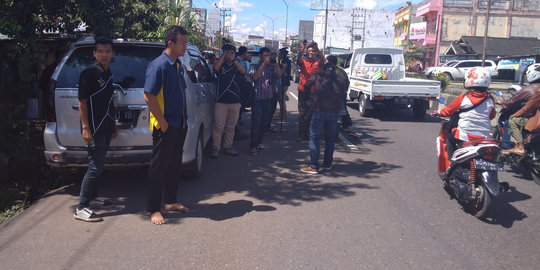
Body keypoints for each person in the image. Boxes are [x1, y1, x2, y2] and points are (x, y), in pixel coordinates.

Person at [144, 25, 190, 225]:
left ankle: (170, 201)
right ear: (170, 43)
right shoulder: (159, 65)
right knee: (159, 168)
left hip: (179, 124)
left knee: (174, 165)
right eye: (183, 42)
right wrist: (162, 122)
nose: (185, 46)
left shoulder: (177, 64)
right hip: (166, 126)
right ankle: (153, 209)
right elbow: (148, 95)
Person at [74, 37, 117, 222]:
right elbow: (82, 102)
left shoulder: (108, 73)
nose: (104, 55)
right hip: (93, 128)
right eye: (100, 51)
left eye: (107, 51)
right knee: (94, 166)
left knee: (99, 165)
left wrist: (113, 125)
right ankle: (81, 207)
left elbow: (109, 102)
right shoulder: (89, 74)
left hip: (105, 126)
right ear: (94, 53)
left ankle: (93, 198)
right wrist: (85, 128)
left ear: (112, 54)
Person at [432, 67, 496, 168]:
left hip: (465, 135)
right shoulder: (490, 99)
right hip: (484, 137)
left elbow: (448, 111)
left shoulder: (464, 98)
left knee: (449, 138)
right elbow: (492, 116)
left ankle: (452, 163)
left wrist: (439, 112)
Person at [300, 62, 348, 174]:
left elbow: (307, 84)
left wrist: (308, 98)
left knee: (314, 138)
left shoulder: (318, 76)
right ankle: (327, 164)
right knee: (330, 139)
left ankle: (314, 166)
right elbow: (344, 92)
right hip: (334, 112)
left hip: (319, 110)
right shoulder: (340, 80)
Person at [210, 43, 246, 159]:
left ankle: (228, 146)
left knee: (231, 126)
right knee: (219, 126)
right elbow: (215, 69)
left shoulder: (236, 65)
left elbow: (243, 71)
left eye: (233, 53)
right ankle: (215, 148)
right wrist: (224, 55)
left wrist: (234, 60)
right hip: (221, 101)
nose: (232, 55)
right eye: (230, 52)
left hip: (235, 101)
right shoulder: (221, 66)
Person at [500, 63, 540, 155]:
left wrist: (518, 113)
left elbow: (530, 105)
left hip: (536, 119)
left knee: (512, 121)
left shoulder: (529, 88)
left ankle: (516, 147)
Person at [249, 47, 281, 155]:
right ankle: (253, 146)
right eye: (265, 55)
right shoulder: (254, 65)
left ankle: (259, 143)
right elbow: (254, 77)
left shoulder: (271, 67)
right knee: (256, 123)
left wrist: (275, 64)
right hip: (258, 98)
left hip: (268, 98)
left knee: (264, 123)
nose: (267, 58)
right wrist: (263, 65)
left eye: (268, 56)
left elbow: (279, 75)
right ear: (260, 56)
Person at [297, 40, 324, 142]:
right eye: (310, 51)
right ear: (307, 53)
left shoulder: (318, 63)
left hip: (315, 92)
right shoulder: (303, 62)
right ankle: (302, 134)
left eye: (313, 51)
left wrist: (317, 48)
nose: (311, 53)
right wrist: (303, 47)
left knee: (313, 113)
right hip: (303, 91)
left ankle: (311, 133)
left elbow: (323, 59)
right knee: (302, 113)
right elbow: (299, 58)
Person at [326, 55, 352, 132]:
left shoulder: (329, 70)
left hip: (331, 95)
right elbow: (347, 83)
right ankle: (349, 127)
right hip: (342, 94)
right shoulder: (342, 71)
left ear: (328, 62)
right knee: (344, 110)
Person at [39, 50, 64, 119]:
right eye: (62, 57)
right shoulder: (49, 69)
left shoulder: (66, 70)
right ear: (58, 58)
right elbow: (41, 85)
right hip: (51, 98)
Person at [274, 47, 292, 121]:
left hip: (283, 82)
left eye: (280, 54)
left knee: (281, 99)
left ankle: (283, 114)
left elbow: (282, 73)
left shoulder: (285, 61)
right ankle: (282, 114)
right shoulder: (283, 61)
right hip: (282, 82)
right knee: (281, 98)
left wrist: (282, 68)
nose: (279, 55)